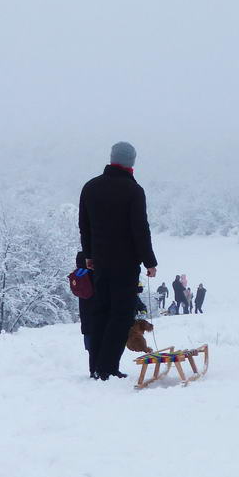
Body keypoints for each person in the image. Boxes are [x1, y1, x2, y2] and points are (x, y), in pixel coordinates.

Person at [78, 141, 158, 382]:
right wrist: (149, 261)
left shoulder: (90, 187)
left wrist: (89, 255)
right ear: (131, 162)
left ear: (112, 158)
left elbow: (85, 226)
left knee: (100, 312)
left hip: (99, 262)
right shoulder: (133, 190)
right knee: (121, 315)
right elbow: (139, 229)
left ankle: (96, 367)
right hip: (125, 263)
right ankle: (107, 367)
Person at [75, 251, 95, 378]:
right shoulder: (93, 275)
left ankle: (93, 371)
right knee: (99, 343)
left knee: (91, 346)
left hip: (85, 316)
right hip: (96, 314)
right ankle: (98, 370)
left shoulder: (79, 275)